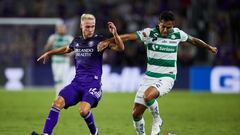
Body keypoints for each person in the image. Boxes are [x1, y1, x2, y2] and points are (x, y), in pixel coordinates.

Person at [97, 11, 218, 135]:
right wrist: (108, 41)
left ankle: (157, 120)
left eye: (168, 27)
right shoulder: (149, 33)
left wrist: (209, 47)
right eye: (163, 26)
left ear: (173, 25)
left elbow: (194, 40)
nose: (165, 30)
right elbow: (128, 37)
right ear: (158, 23)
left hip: (167, 77)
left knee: (148, 96)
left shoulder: (177, 34)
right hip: (149, 77)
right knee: (136, 114)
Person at [32, 13, 124, 135]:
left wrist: (115, 34)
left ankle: (95, 133)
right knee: (57, 103)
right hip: (77, 83)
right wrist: (50, 53)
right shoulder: (76, 41)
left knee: (83, 111)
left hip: (93, 85)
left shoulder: (100, 40)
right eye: (87, 26)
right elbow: (66, 49)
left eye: (92, 26)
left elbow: (120, 47)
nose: (90, 29)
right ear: (81, 26)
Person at [44, 24, 74, 97]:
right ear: (57, 29)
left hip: (65, 62)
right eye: (60, 28)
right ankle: (59, 95)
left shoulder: (69, 38)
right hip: (55, 61)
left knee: (63, 79)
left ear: (65, 29)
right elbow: (46, 49)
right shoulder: (53, 37)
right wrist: (49, 45)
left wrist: (69, 54)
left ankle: (61, 96)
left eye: (63, 28)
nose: (61, 30)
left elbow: (74, 50)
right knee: (57, 79)